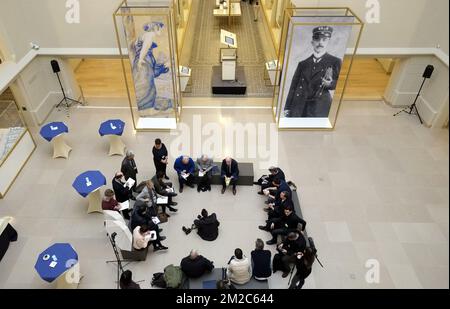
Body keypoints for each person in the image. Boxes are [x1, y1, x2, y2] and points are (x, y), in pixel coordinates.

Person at [284, 26, 342, 118]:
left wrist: (330, 83)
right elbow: (293, 87)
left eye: (324, 40)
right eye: (317, 39)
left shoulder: (335, 61)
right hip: (299, 105)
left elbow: (340, 84)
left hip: (320, 106)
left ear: (328, 42)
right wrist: (287, 107)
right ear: (312, 42)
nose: (320, 43)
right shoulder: (303, 64)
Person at [130, 21, 171, 112]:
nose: (162, 30)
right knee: (147, 83)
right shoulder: (150, 35)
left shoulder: (144, 35)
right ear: (155, 28)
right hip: (145, 61)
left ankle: (146, 103)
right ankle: (146, 104)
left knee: (146, 82)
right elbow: (144, 48)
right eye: (160, 28)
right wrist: (140, 60)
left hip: (145, 61)